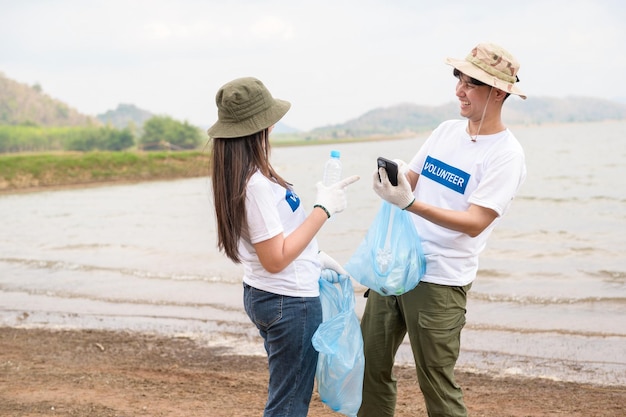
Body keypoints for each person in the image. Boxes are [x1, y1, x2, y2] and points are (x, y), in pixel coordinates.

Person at [359, 42, 528, 417]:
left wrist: (410, 203)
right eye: (459, 79)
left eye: (471, 83)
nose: (459, 91)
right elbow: (413, 182)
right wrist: (396, 179)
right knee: (369, 365)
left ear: (498, 92)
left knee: (435, 380)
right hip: (397, 266)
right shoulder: (446, 131)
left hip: (440, 280)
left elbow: (475, 223)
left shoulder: (506, 155)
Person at [206, 76, 359, 417]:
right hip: (288, 302)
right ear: (262, 127)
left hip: (267, 294)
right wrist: (324, 209)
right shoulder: (256, 185)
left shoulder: (240, 173)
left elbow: (274, 241)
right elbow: (275, 259)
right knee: (289, 404)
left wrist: (315, 257)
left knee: (286, 395)